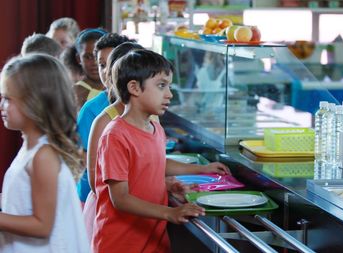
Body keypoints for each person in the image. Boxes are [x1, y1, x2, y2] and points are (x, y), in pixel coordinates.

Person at [92, 49, 230, 252]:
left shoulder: (155, 128)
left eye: (169, 86)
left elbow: (157, 163)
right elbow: (120, 199)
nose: (170, 94)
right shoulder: (115, 135)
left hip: (153, 239)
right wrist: (169, 213)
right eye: (161, 86)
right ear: (134, 88)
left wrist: (202, 170)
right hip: (121, 243)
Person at [0, 53, 89, 252]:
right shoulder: (31, 149)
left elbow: (42, 225)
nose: (2, 106)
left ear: (35, 101)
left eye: (8, 98)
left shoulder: (43, 155)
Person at [76, 33, 135, 204]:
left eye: (114, 64)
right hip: (95, 197)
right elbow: (87, 163)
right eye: (102, 65)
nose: (107, 71)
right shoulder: (92, 110)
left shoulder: (143, 106)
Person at [71, 28, 108, 111]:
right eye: (88, 57)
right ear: (79, 59)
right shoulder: (74, 93)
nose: (95, 62)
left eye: (98, 56)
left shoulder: (119, 91)